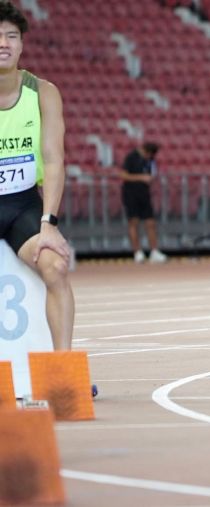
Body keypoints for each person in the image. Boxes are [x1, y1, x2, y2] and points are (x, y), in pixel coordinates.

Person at [0, 2, 74, 352]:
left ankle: (63, 368)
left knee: (56, 266)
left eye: (11, 36)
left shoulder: (43, 92)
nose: (3, 43)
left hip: (23, 206)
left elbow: (54, 160)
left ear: (22, 44)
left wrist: (49, 224)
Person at [120, 142, 167, 263]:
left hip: (144, 194)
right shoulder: (131, 157)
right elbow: (123, 175)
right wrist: (141, 177)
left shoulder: (150, 160)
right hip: (131, 194)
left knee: (150, 223)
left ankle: (154, 251)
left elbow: (152, 173)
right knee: (134, 222)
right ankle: (137, 252)